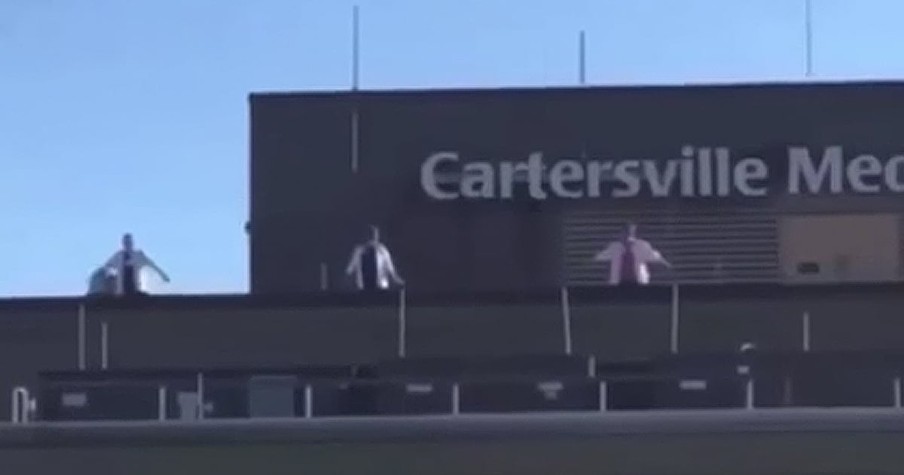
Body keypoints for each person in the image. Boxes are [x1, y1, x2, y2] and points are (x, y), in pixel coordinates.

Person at [593, 223, 670, 286]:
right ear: (621, 235)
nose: (628, 237)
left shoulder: (642, 246)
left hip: (638, 284)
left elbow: (658, 259)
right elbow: (598, 258)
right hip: (618, 284)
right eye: (625, 233)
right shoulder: (614, 247)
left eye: (631, 234)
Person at [102, 233, 170, 296]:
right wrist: (110, 275)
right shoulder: (118, 256)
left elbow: (152, 265)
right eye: (125, 242)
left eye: (129, 242)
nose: (127, 244)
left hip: (134, 290)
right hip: (121, 293)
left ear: (132, 243)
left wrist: (164, 276)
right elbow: (107, 266)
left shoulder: (138, 255)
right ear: (122, 244)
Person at [345, 225, 404, 291]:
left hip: (381, 289)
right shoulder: (358, 251)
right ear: (366, 236)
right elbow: (349, 271)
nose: (372, 239)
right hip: (363, 290)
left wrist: (400, 282)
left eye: (374, 236)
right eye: (371, 236)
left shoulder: (383, 251)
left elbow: (391, 271)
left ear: (377, 237)